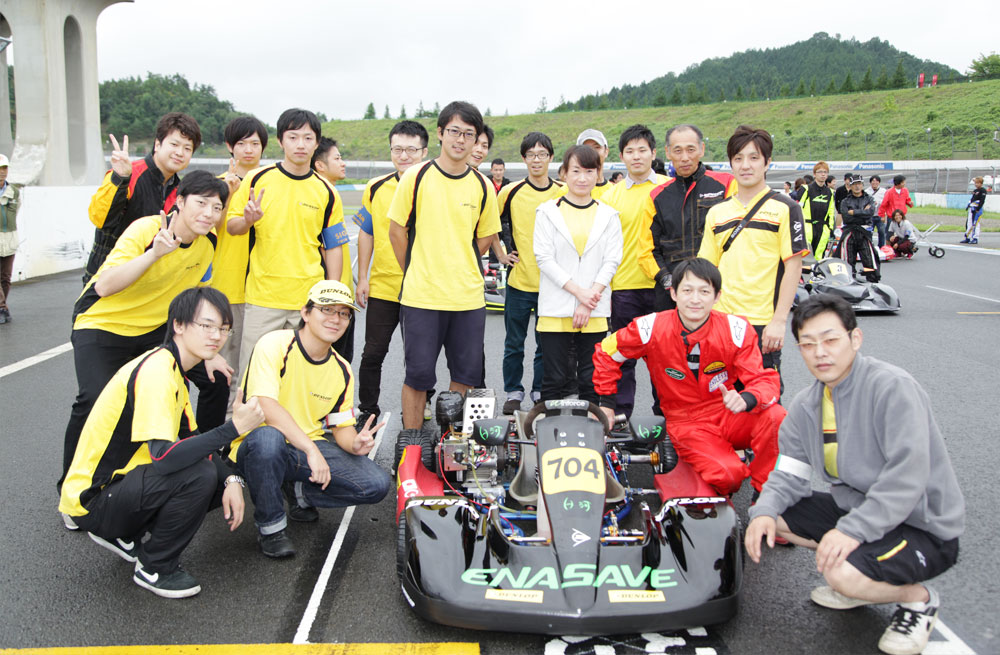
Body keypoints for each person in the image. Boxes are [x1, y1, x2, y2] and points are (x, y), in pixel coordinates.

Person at [745, 294, 964, 655]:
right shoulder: (805, 406)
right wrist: (763, 512)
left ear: (855, 338)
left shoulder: (892, 387)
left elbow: (905, 479)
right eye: (808, 344)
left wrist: (850, 531)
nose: (820, 353)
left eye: (830, 340)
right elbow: (788, 474)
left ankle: (918, 600)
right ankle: (861, 583)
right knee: (775, 517)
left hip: (922, 525)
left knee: (841, 573)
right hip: (862, 510)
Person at [59, 287, 266, 598]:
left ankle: (125, 533)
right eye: (206, 325)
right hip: (94, 498)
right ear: (178, 325)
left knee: (215, 472)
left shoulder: (173, 370)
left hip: (118, 486)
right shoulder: (157, 372)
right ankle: (155, 566)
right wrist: (234, 428)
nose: (217, 336)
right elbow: (165, 458)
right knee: (200, 475)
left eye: (224, 328)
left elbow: (193, 439)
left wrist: (232, 479)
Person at [61, 171, 233, 502]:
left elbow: (195, 300)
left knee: (217, 379)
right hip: (104, 324)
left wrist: (210, 351)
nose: (209, 214)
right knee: (93, 398)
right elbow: (104, 286)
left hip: (157, 331)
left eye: (217, 207)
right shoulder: (146, 229)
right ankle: (74, 490)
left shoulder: (208, 243)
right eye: (201, 203)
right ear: (179, 202)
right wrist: (154, 253)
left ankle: (207, 463)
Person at [593, 258, 784, 496]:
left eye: (704, 291)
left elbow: (764, 380)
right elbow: (606, 352)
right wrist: (607, 404)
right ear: (673, 293)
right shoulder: (650, 327)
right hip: (687, 422)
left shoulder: (737, 329)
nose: (695, 299)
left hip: (729, 413)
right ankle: (718, 463)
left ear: (717, 296)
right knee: (730, 476)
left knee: (776, 416)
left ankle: (767, 499)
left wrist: (748, 398)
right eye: (687, 290)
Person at [231, 280, 391, 557]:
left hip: (305, 449)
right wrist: (311, 450)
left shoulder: (342, 369)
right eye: (326, 310)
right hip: (259, 444)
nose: (336, 319)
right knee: (268, 441)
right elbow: (266, 406)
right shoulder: (274, 344)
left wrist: (355, 444)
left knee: (376, 484)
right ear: (305, 313)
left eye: (344, 313)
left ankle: (297, 489)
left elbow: (341, 428)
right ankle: (271, 528)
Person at [387, 101, 500, 431]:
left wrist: (458, 261)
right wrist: (416, 268)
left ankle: (451, 443)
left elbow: (485, 236)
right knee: (418, 376)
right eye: (454, 131)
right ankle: (412, 442)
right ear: (440, 133)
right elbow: (396, 231)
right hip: (422, 296)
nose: (460, 140)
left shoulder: (482, 185)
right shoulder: (416, 176)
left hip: (467, 298)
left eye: (469, 134)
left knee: (465, 375)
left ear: (476, 139)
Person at [226, 108, 348, 392]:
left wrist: (329, 296)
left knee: (299, 377)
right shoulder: (257, 179)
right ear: (281, 141)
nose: (300, 144)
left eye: (308, 138)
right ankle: (242, 421)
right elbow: (232, 226)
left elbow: (333, 246)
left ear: (316, 144)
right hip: (262, 297)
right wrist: (248, 220)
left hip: (308, 300)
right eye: (293, 137)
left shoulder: (327, 191)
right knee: (252, 375)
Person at [698, 126, 808, 395]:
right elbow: (706, 271)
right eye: (738, 158)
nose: (745, 165)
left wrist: (779, 321)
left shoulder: (786, 208)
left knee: (764, 400)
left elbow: (793, 267)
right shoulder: (717, 212)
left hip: (762, 323)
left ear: (767, 162)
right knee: (719, 400)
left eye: (754, 158)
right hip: (720, 322)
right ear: (731, 163)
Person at [353, 120, 429, 428]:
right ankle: (367, 408)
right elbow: (366, 232)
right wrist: (363, 277)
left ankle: (422, 404)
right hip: (384, 287)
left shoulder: (433, 184)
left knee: (419, 356)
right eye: (397, 149)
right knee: (373, 353)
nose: (404, 156)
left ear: (424, 152)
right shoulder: (376, 187)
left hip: (422, 288)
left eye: (411, 149)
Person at [533, 145, 622, 403]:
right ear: (564, 173)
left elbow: (612, 260)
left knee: (590, 377)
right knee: (554, 377)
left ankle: (591, 426)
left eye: (589, 171)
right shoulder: (547, 212)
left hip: (595, 306)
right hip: (556, 306)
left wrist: (588, 298)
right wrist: (579, 293)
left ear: (598, 174)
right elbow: (544, 259)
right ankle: (550, 425)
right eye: (576, 171)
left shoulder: (609, 215)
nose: (582, 178)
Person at [600, 125, 670, 418]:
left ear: (654, 153)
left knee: (664, 358)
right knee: (623, 356)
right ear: (621, 156)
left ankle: (666, 416)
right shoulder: (610, 197)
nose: (637, 156)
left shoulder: (669, 187)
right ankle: (620, 415)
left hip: (663, 287)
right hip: (624, 288)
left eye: (642, 150)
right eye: (630, 151)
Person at [84, 112, 201, 284]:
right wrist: (120, 179)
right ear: (157, 144)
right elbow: (100, 218)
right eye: (174, 144)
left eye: (187, 148)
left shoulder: (181, 192)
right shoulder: (128, 173)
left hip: (146, 282)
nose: (179, 152)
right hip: (107, 277)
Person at [497, 132, 564, 414]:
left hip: (553, 285)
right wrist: (502, 254)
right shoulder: (509, 192)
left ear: (551, 157)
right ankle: (513, 392)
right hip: (519, 282)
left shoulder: (563, 191)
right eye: (531, 155)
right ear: (524, 158)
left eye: (542, 154)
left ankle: (539, 391)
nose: (537, 160)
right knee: (514, 343)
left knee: (545, 345)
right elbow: (490, 224)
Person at [644, 123, 736, 313]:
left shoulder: (726, 184)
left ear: (702, 149)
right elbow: (647, 250)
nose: (684, 157)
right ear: (668, 152)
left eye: (691, 149)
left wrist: (716, 281)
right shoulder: (656, 196)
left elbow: (737, 241)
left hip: (716, 290)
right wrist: (669, 281)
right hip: (671, 294)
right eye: (678, 151)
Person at [211, 115, 268, 411]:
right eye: (242, 143)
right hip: (229, 285)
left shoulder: (271, 183)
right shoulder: (218, 184)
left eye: (255, 143)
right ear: (229, 147)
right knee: (227, 363)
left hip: (265, 288)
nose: (248, 150)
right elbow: (210, 228)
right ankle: (225, 424)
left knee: (258, 365)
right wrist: (228, 194)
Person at [312, 136, 357, 361]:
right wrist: (332, 297)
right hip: (330, 297)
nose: (343, 163)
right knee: (330, 359)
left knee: (340, 360)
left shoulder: (333, 194)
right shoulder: (320, 196)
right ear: (320, 165)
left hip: (341, 293)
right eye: (337, 158)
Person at [836, 175, 880, 282]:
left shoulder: (869, 199)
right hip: (849, 232)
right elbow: (846, 218)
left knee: (869, 260)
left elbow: (870, 213)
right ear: (850, 186)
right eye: (854, 184)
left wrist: (854, 212)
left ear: (862, 185)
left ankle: (873, 282)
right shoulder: (845, 201)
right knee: (848, 262)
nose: (857, 186)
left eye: (859, 184)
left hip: (864, 233)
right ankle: (848, 283)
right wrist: (862, 212)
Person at [799, 162, 837, 257]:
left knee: (819, 256)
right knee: (805, 256)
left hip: (823, 229)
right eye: (820, 172)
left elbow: (831, 212)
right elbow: (798, 208)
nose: (823, 174)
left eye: (825, 172)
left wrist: (830, 229)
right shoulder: (806, 189)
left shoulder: (830, 192)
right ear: (814, 174)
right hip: (807, 227)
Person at [0, 154, 20, 324]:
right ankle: (2, 307)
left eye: (4, 168)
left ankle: (2, 307)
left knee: (6, 278)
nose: (2, 172)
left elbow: (16, 211)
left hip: (10, 239)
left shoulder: (14, 191)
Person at [576, 128, 612, 198]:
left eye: (597, 147)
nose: (592, 152)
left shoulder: (614, 192)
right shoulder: (567, 191)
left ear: (606, 152)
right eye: (586, 148)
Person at [962, 176, 986, 244]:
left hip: (977, 209)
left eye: (978, 183)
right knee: (969, 223)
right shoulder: (975, 191)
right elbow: (972, 199)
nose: (976, 184)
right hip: (971, 208)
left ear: (981, 183)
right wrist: (968, 206)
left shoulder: (983, 190)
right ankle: (967, 237)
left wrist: (978, 208)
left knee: (975, 224)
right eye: (975, 183)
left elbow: (982, 200)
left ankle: (975, 238)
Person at [868, 175, 888, 247]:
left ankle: (881, 247)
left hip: (880, 215)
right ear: (870, 182)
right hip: (870, 216)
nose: (874, 183)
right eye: (873, 181)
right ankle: (870, 246)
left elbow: (886, 203)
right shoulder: (867, 191)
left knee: (882, 232)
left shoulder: (883, 191)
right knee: (869, 232)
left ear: (879, 182)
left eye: (876, 181)